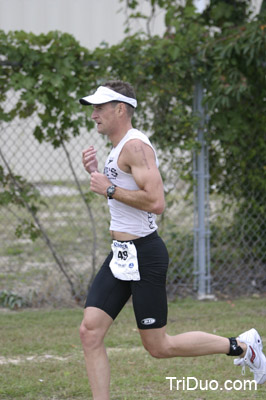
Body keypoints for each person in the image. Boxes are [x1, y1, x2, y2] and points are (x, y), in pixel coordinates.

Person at [79, 80, 266, 400]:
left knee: (159, 346)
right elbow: (127, 195)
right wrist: (102, 176)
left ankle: (243, 347)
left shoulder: (136, 146)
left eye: (99, 107)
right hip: (121, 253)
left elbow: (156, 202)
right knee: (90, 332)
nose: (93, 114)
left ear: (120, 109)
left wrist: (107, 188)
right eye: (93, 108)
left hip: (144, 253)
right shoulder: (117, 146)